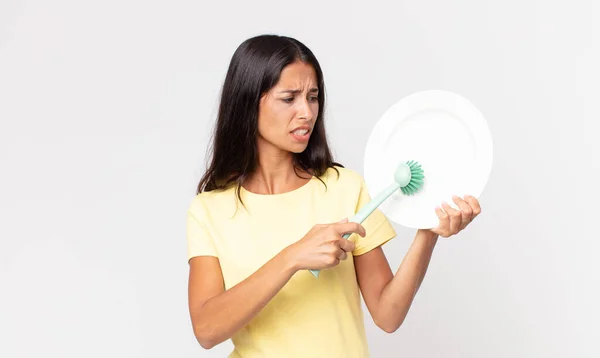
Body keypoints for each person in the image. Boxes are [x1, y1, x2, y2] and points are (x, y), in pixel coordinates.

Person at [185, 34, 481, 358]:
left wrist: (427, 232)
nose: (307, 112)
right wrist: (293, 257)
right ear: (248, 102)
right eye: (289, 98)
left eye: (313, 97)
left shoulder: (345, 188)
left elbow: (388, 314)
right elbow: (207, 330)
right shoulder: (209, 210)